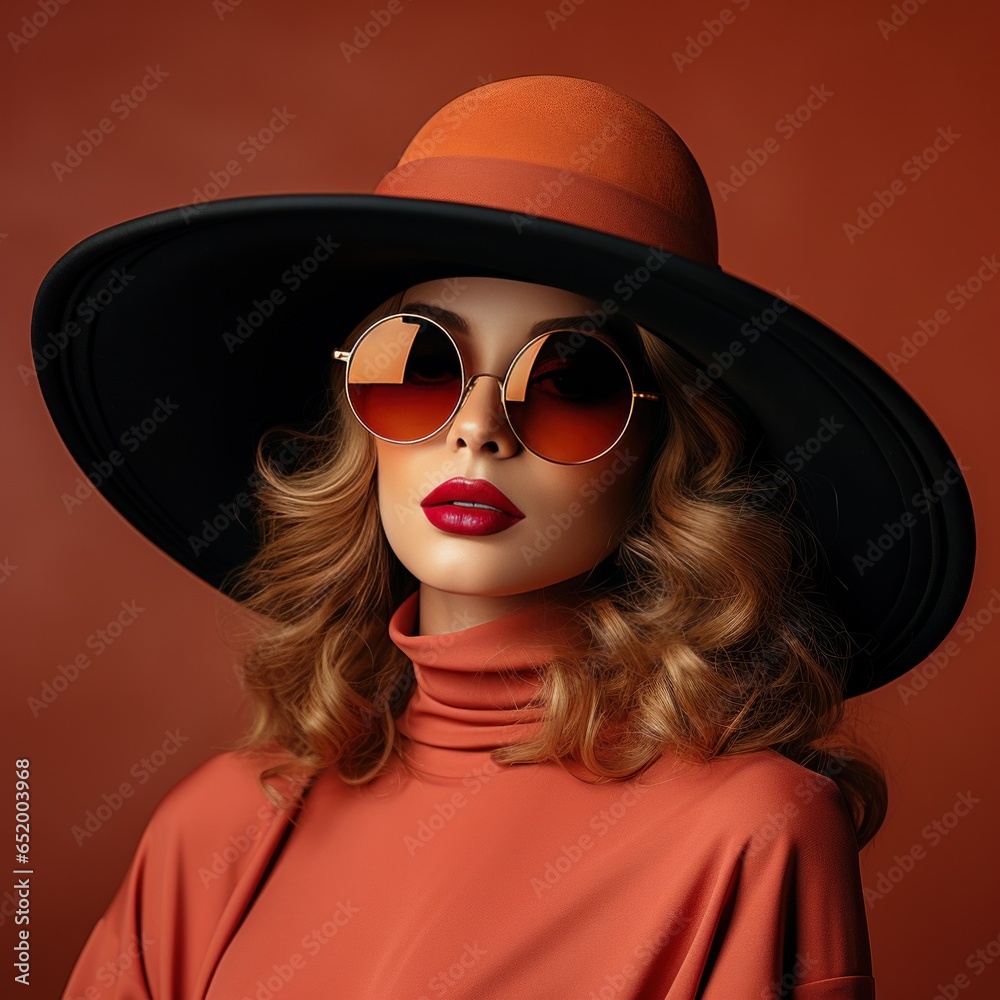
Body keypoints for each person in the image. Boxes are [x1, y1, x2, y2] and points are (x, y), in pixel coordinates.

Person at [42, 76, 975, 999]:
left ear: (664, 452)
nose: (476, 431)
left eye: (571, 382)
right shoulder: (219, 829)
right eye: (417, 366)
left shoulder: (752, 834)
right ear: (355, 424)